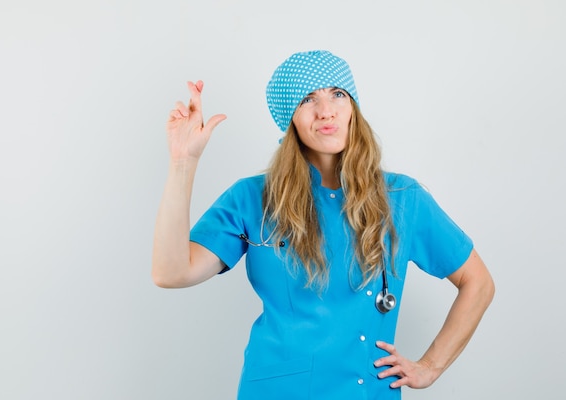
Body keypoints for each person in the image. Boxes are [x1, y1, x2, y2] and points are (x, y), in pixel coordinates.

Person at [152, 50, 495, 399]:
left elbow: (477, 282)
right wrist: (183, 162)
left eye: (338, 94)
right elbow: (172, 272)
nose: (326, 110)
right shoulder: (252, 199)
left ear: (353, 108)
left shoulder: (403, 198)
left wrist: (431, 366)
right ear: (291, 119)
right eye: (307, 99)